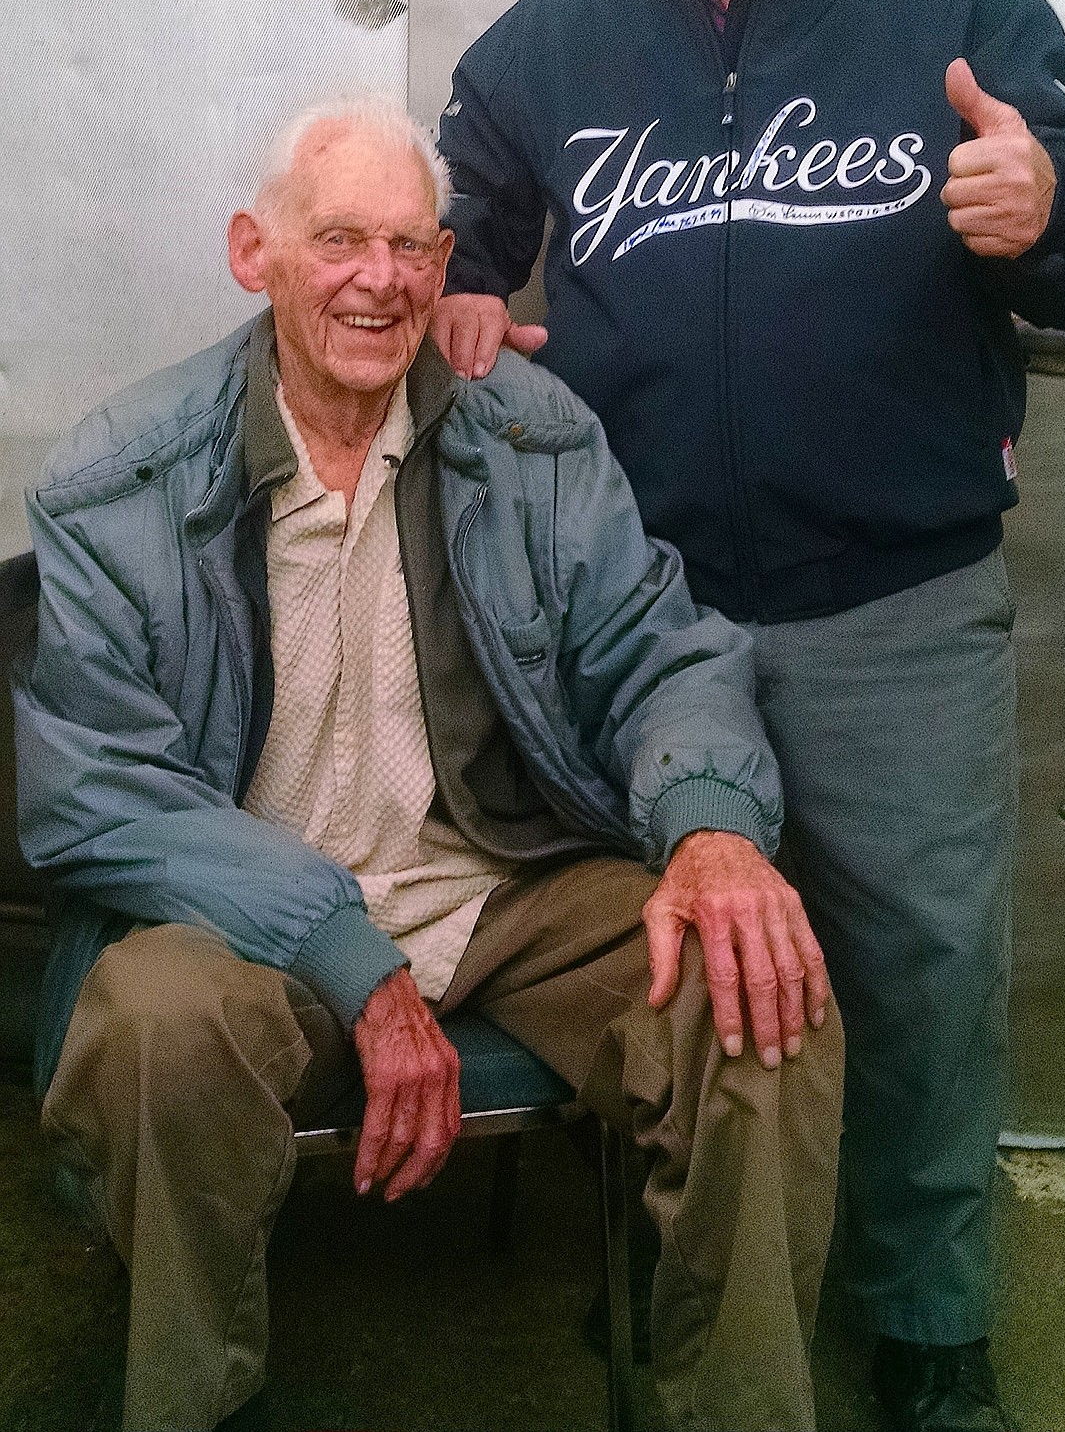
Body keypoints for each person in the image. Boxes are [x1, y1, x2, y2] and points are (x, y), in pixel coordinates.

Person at [430, 0, 1065, 1431]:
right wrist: (460, 296)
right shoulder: (548, 37)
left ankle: (925, 1326)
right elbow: (471, 219)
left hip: (892, 601)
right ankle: (692, 1301)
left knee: (915, 974)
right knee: (667, 971)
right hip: (631, 610)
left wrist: (1043, 201)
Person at [13, 96, 843, 1432]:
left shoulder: (530, 436)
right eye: (338, 239)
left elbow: (663, 652)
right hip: (247, 928)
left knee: (759, 991)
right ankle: (194, 1404)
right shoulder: (125, 475)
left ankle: (744, 1411)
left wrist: (709, 834)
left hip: (500, 886)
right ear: (254, 253)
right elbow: (96, 790)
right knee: (156, 1028)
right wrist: (352, 959)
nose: (380, 280)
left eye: (412, 247)